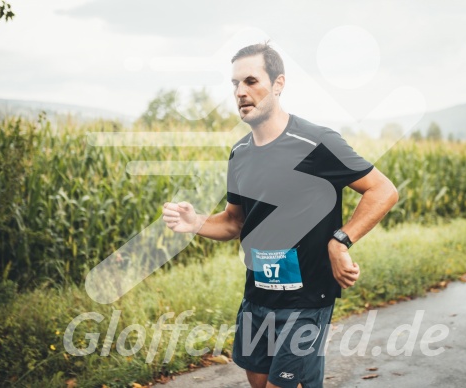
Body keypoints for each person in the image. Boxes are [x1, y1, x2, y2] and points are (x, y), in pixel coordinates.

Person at [163, 42, 398, 388]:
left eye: (251, 81)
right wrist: (196, 222)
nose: (241, 92)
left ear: (278, 84)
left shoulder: (316, 142)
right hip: (257, 296)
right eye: (235, 84)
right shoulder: (240, 153)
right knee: (261, 383)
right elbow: (234, 221)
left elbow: (383, 190)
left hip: (306, 299)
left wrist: (340, 241)